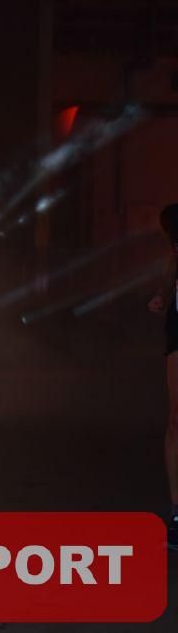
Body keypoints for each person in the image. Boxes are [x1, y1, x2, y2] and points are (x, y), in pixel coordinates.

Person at [149, 203, 178, 548]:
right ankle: (177, 513)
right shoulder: (173, 218)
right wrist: (163, 293)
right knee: (176, 420)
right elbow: (175, 259)